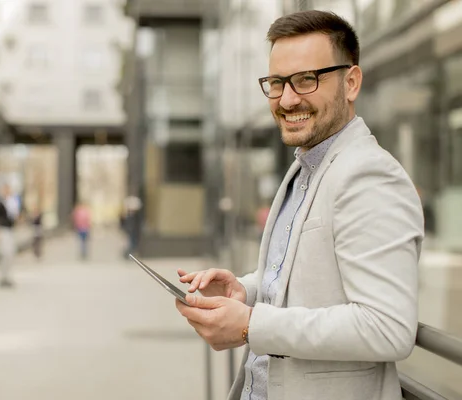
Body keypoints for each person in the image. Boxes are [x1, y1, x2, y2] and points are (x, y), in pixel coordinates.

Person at [175, 10, 424, 400]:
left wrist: (250, 325)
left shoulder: (369, 177)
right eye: (277, 82)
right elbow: (311, 274)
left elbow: (387, 327)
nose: (288, 99)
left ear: (351, 82)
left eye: (306, 79)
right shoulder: (307, 168)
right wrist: (247, 290)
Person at [0, 183, 21, 288]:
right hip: (2, 230)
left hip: (10, 230)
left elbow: (14, 217)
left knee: (9, 255)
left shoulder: (12, 203)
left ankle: (8, 276)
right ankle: (2, 277)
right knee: (3, 254)